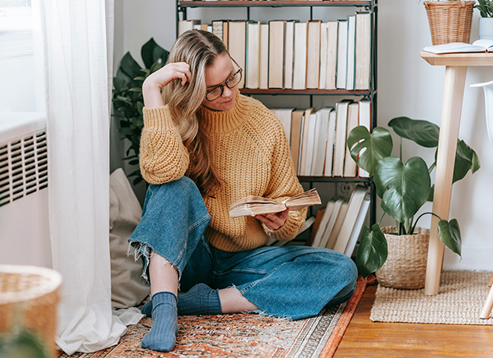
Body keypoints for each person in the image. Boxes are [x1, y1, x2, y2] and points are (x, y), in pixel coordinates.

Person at [128, 29, 358, 352]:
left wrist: (281, 219)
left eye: (231, 77)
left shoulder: (263, 124)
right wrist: (151, 89)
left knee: (341, 272)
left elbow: (291, 207)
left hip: (244, 260)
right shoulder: (176, 119)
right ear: (192, 91)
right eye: (213, 89)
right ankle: (165, 311)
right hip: (191, 256)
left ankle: (204, 301)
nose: (228, 92)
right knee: (173, 187)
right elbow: (162, 172)